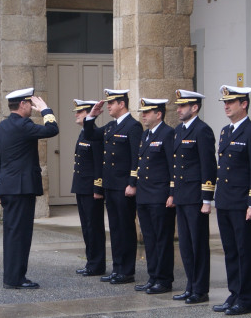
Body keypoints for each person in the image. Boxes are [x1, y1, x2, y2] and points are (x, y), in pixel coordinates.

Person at [0, 88, 59, 289]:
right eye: (30, 104)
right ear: (22, 104)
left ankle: (13, 276)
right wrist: (46, 110)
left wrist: (6, 180)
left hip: (9, 186)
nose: (32, 107)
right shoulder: (24, 125)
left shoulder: (2, 126)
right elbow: (52, 129)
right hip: (21, 189)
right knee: (20, 235)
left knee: (12, 233)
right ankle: (15, 279)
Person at [212, 85, 251, 315]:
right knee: (230, 250)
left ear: (244, 104)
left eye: (231, 102)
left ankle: (246, 298)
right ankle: (234, 292)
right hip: (225, 200)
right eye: (224, 102)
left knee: (244, 251)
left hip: (242, 203)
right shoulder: (226, 131)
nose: (226, 105)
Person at [83, 89, 142, 285]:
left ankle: (127, 270)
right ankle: (117, 268)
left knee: (125, 228)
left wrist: (132, 183)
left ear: (122, 104)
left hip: (124, 186)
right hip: (110, 185)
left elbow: (136, 158)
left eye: (112, 103)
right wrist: (92, 116)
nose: (108, 106)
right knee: (115, 229)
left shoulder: (133, 126)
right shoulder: (110, 126)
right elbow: (90, 134)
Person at [170, 90, 216, 305]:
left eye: (183, 106)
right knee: (186, 246)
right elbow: (176, 166)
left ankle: (200, 289)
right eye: (178, 106)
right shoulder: (179, 130)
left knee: (198, 245)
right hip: (182, 195)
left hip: (196, 197)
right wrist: (173, 193)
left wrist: (207, 199)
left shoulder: (202, 130)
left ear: (194, 107)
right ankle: (190, 285)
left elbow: (208, 166)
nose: (178, 109)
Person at [131, 98, 175, 295]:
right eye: (143, 112)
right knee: (149, 239)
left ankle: (164, 279)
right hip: (145, 194)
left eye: (148, 112)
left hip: (160, 195)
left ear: (159, 114)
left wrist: (172, 193)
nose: (144, 115)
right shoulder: (146, 135)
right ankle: (153, 277)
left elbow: (172, 167)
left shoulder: (167, 133)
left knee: (162, 239)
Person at [71, 99, 106, 277]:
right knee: (86, 227)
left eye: (80, 112)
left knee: (94, 227)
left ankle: (97, 264)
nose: (76, 114)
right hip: (81, 186)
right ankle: (90, 261)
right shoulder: (83, 133)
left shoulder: (94, 135)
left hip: (91, 188)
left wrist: (98, 188)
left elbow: (99, 164)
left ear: (88, 114)